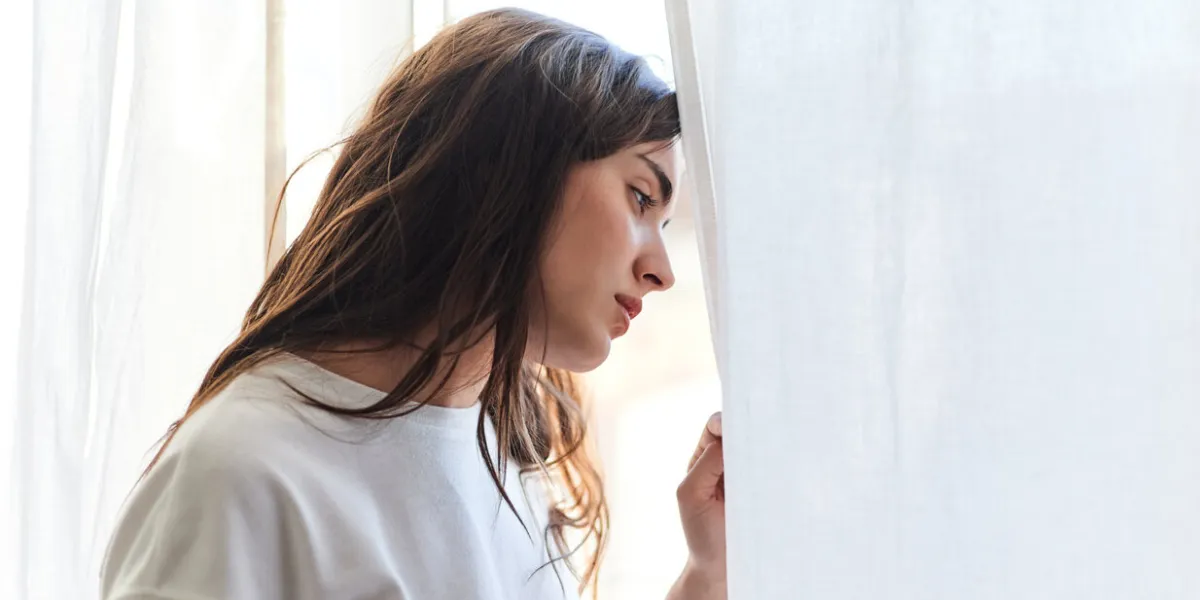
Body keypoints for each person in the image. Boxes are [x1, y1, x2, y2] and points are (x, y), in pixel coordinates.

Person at [101, 8, 725, 600]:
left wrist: (706, 573)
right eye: (642, 198)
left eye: (666, 224)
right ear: (506, 169)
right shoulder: (244, 472)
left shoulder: (514, 458)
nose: (662, 271)